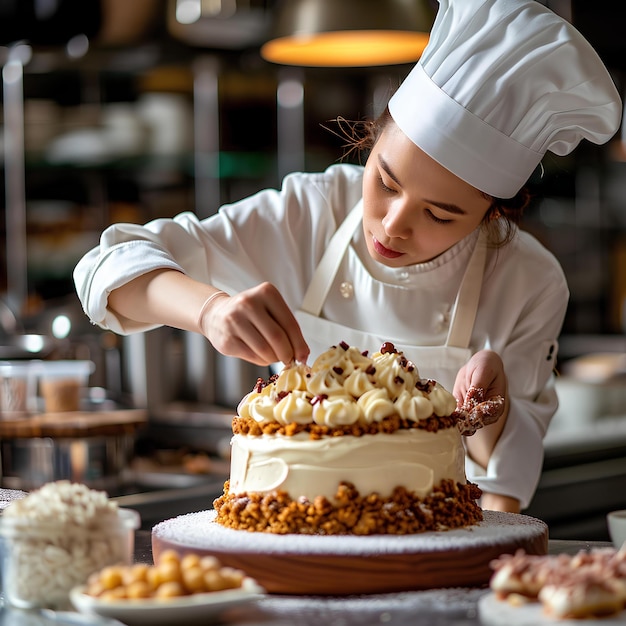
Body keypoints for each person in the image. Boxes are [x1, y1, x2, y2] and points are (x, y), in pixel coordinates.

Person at [74, 0, 622, 513]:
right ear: (371, 139)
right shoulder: (311, 212)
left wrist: (493, 414)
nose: (393, 223)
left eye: (440, 215)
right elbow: (107, 267)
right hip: (293, 522)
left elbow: (506, 490)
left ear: (492, 215)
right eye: (385, 180)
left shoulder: (530, 280)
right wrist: (209, 310)